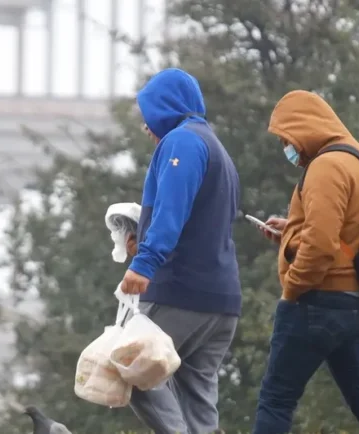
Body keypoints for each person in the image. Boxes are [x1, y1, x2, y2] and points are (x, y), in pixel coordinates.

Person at [252, 90, 359, 434]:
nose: (286, 147)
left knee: (276, 400)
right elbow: (343, 235)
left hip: (317, 302)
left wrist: (292, 288)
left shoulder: (326, 166)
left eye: (286, 138)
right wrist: (291, 231)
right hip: (357, 305)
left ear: (304, 127)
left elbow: (322, 245)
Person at [119, 68, 242, 434]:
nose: (146, 128)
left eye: (149, 115)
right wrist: (141, 242)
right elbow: (199, 225)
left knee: (132, 370)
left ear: (167, 108)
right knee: (196, 402)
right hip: (222, 302)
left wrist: (143, 263)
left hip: (182, 294)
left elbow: (171, 214)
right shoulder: (215, 147)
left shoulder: (182, 143)